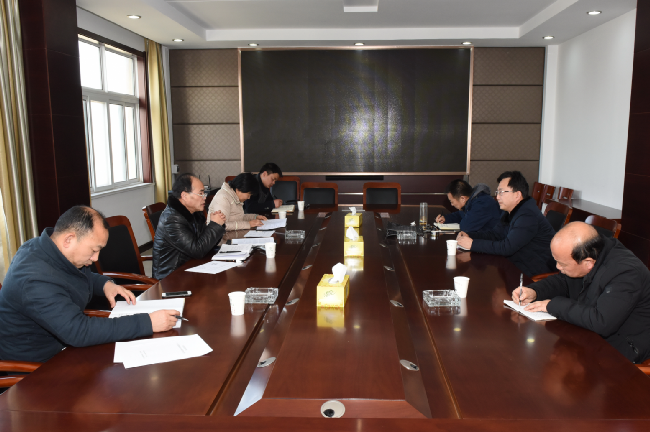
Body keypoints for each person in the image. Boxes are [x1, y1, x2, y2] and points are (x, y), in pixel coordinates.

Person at [0, 206, 180, 364]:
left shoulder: (51, 249)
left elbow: (77, 277)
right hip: (36, 367)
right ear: (69, 239)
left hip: (63, 345)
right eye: (94, 250)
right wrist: (148, 322)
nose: (95, 258)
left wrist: (105, 284)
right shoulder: (34, 279)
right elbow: (79, 332)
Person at [513, 222, 650, 364]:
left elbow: (601, 322)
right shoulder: (590, 251)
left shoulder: (626, 272)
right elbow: (563, 281)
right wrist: (535, 291)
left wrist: (551, 305)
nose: (558, 267)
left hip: (621, 352)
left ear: (588, 263)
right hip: (589, 335)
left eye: (563, 264)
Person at [457, 171, 556, 276]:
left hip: (533, 271)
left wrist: (473, 244)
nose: (497, 197)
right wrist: (470, 235)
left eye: (501, 192)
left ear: (517, 195)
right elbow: (495, 235)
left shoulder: (528, 215)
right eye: (497, 192)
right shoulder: (510, 211)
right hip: (516, 264)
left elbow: (507, 248)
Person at [153, 173, 226, 279]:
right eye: (201, 193)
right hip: (171, 278)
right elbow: (198, 250)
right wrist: (215, 225)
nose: (205, 197)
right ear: (184, 196)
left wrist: (218, 224)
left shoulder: (193, 212)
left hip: (190, 267)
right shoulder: (172, 219)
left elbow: (205, 244)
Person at [435, 179, 501, 233]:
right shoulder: (473, 200)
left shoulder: (482, 203)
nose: (452, 204)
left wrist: (461, 209)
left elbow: (466, 228)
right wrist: (446, 218)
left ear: (463, 198)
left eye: (452, 201)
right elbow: (460, 215)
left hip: (493, 242)